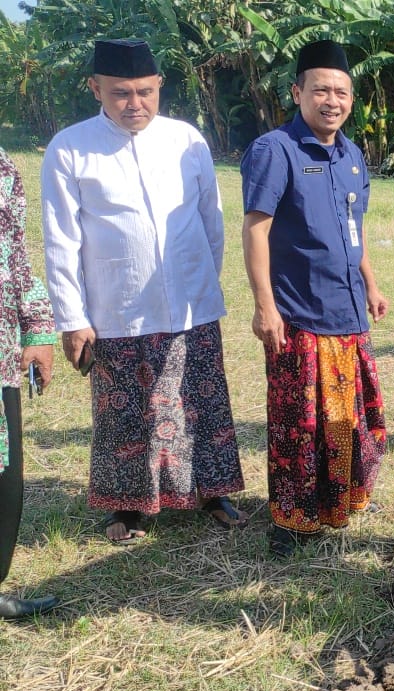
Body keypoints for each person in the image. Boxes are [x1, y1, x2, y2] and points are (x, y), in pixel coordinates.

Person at [41, 39, 246, 544]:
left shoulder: (186, 139)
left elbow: (210, 221)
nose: (135, 104)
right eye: (121, 94)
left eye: (146, 92)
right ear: (96, 89)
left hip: (190, 302)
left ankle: (211, 492)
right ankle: (129, 507)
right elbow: (61, 240)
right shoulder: (69, 148)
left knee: (199, 402)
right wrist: (72, 318)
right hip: (116, 306)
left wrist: (202, 280)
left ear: (160, 87)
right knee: (126, 411)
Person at [241, 39, 389, 557]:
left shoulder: (351, 154)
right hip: (299, 313)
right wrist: (265, 305)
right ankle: (290, 520)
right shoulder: (274, 149)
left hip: (346, 310)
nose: (333, 99)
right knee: (298, 426)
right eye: (321, 89)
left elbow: (355, 225)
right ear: (297, 91)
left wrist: (370, 281)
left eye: (342, 91)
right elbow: (256, 230)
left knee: (348, 418)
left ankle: (337, 501)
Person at [0, 148, 58, 625]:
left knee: (6, 485)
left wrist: (38, 329)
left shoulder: (2, 166)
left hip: (1, 358)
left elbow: (15, 252)